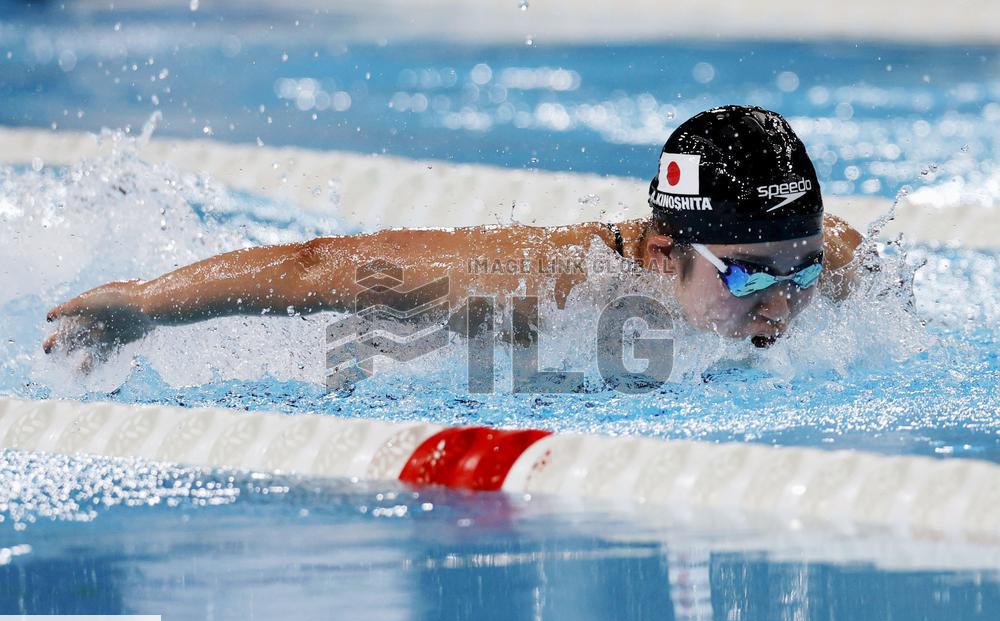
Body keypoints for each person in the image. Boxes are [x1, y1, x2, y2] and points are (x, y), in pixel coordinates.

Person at [42, 105, 865, 364]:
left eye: (803, 268)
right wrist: (148, 305)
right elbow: (327, 266)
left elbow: (857, 258)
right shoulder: (545, 288)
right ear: (661, 251)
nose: (786, 302)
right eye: (751, 277)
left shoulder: (826, 263)